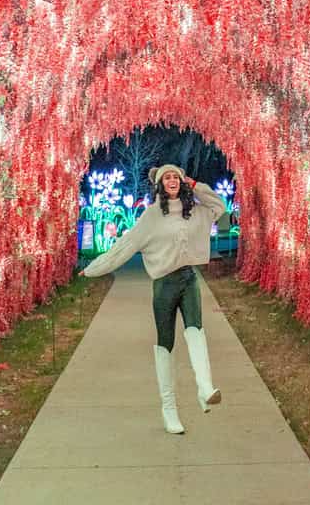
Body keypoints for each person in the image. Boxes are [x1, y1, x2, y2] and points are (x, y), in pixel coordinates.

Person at [80, 163, 227, 434]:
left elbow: (219, 206)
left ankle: (205, 388)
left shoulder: (194, 210)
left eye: (176, 177)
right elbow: (125, 246)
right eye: (167, 177)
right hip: (164, 284)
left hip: (189, 279)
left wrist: (195, 184)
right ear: (160, 184)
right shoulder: (150, 217)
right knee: (166, 344)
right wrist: (93, 269)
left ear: (181, 182)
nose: (172, 180)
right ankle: (169, 408)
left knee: (196, 330)